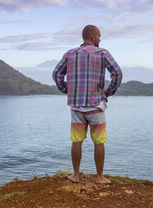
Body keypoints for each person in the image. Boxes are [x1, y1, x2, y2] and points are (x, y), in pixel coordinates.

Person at [52, 25, 122, 184]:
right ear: (93, 37)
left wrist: (66, 89)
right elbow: (117, 73)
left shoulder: (70, 53)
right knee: (99, 141)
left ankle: (75, 176)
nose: (100, 39)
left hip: (76, 106)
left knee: (76, 140)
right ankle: (100, 177)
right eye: (99, 36)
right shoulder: (103, 53)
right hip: (96, 105)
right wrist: (109, 91)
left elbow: (56, 74)